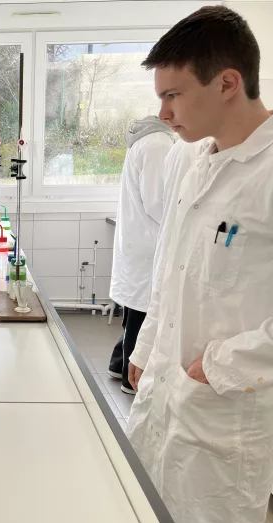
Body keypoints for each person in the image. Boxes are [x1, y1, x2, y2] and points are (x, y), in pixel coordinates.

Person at [126, 6, 273, 523]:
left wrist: (224, 364)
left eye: (173, 95)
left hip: (226, 417)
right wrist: (147, 346)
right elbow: (172, 270)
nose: (163, 113)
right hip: (165, 396)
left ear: (227, 82)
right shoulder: (197, 162)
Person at [108, 116, 174, 394]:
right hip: (150, 244)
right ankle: (130, 378)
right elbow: (158, 202)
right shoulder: (158, 144)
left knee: (135, 309)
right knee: (143, 313)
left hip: (139, 242)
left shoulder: (147, 141)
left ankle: (118, 364)